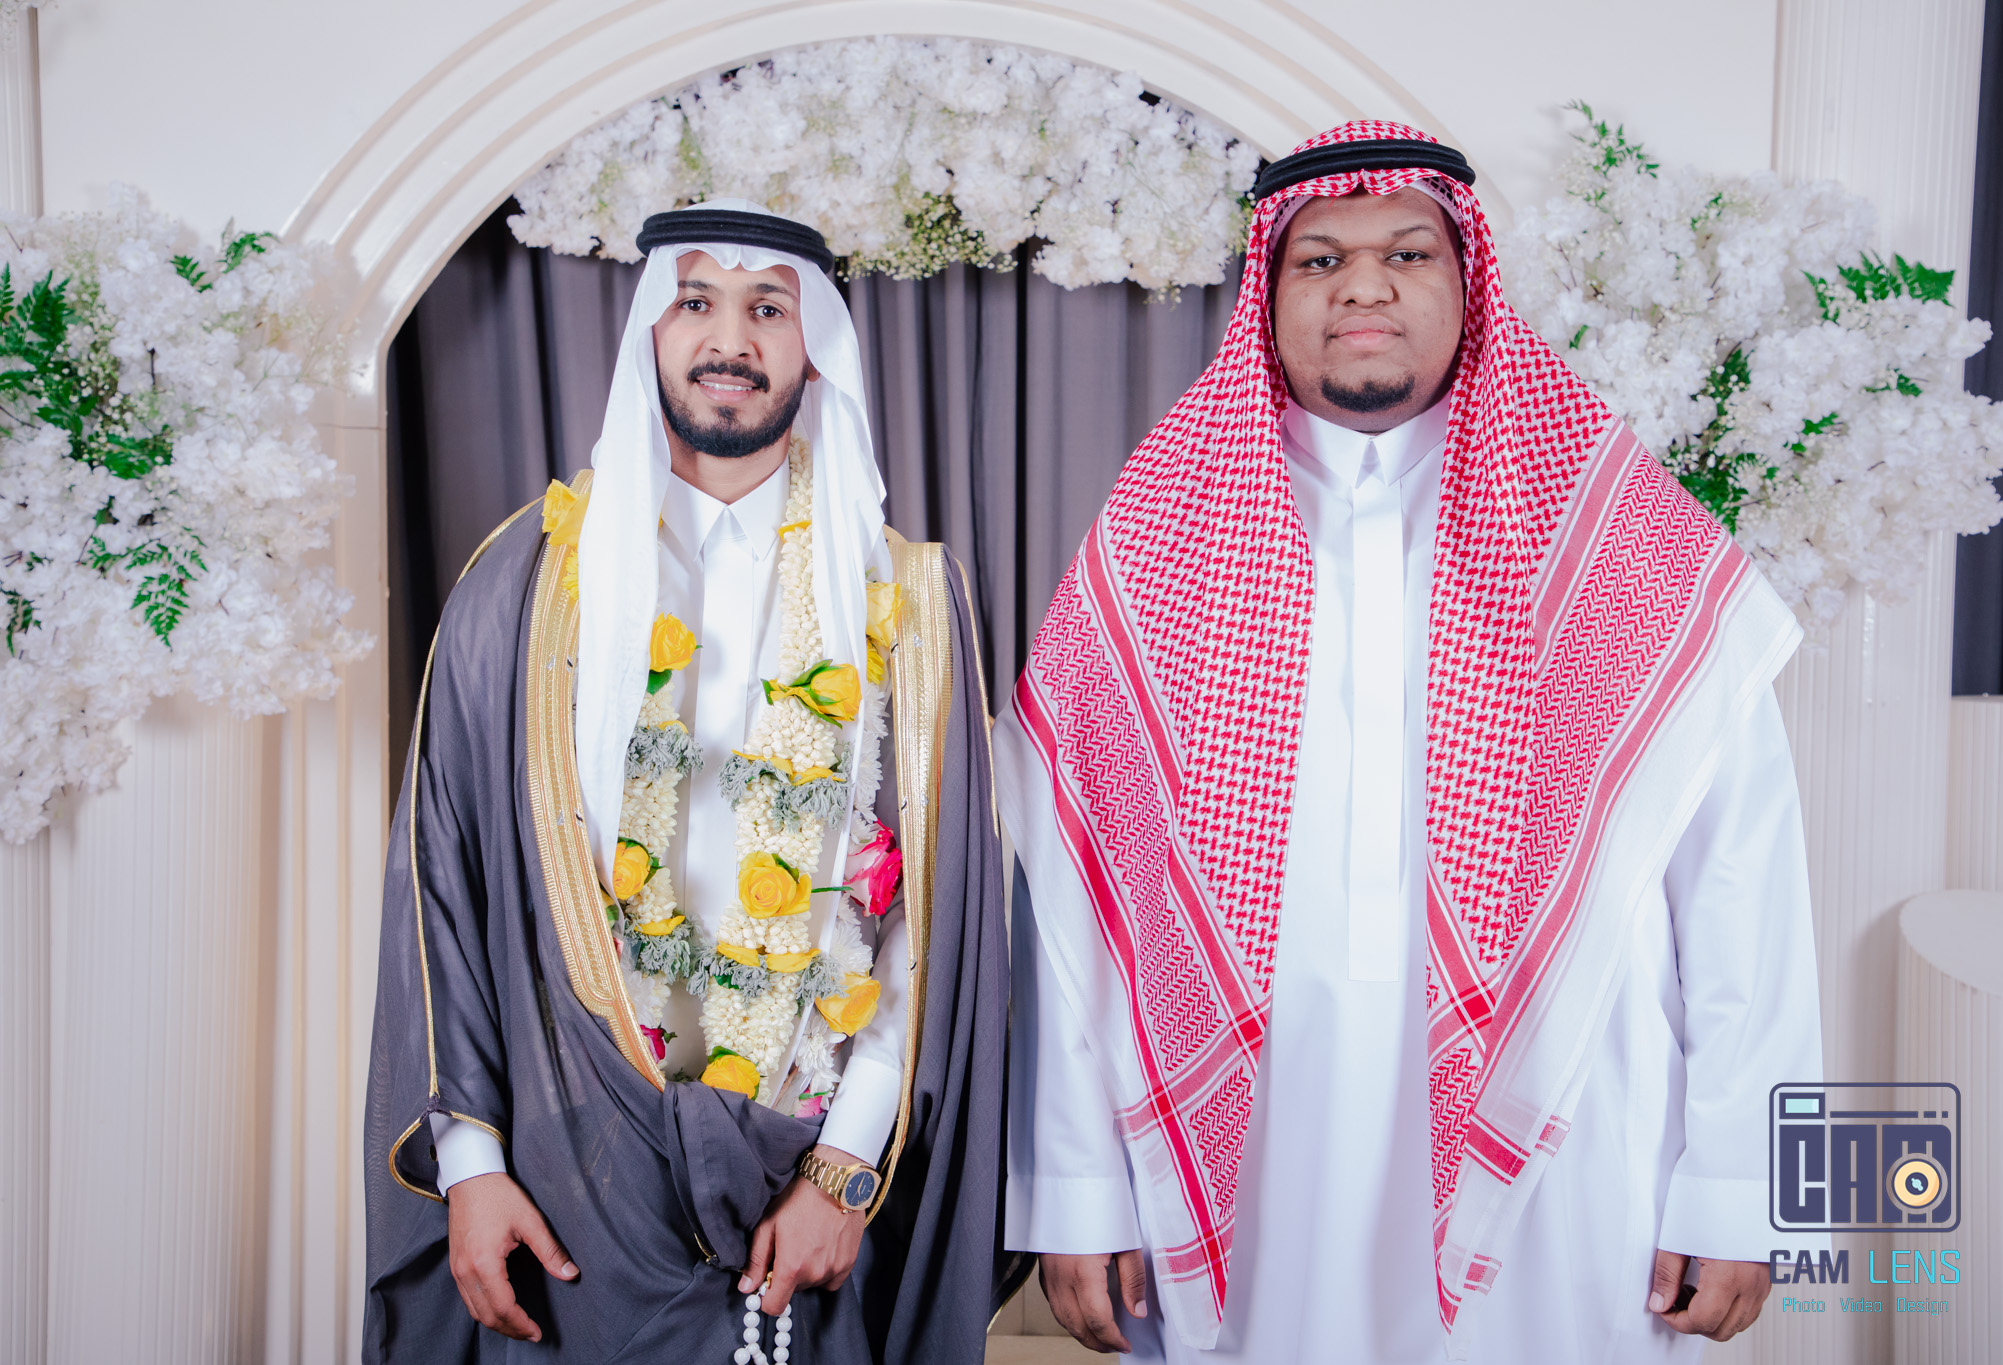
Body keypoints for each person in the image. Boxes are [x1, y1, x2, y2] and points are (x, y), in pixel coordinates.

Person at [997, 122, 1829, 1362]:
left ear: (1466, 278)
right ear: (1267, 295)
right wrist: (1077, 1185)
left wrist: (1744, 1186)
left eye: (1405, 253)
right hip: (1253, 1163)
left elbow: (1740, 885)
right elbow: (1073, 903)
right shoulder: (1158, 540)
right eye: (1318, 260)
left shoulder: (1611, 538)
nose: (1363, 287)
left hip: (1565, 1152)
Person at [363, 200, 1010, 1364]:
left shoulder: (906, 598)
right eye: (696, 302)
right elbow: (444, 883)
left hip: (805, 1174)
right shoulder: (527, 582)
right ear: (648, 334)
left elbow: (931, 916)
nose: (730, 338)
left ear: (815, 346)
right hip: (569, 1171)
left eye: (768, 308)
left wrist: (844, 1166)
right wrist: (471, 1165)